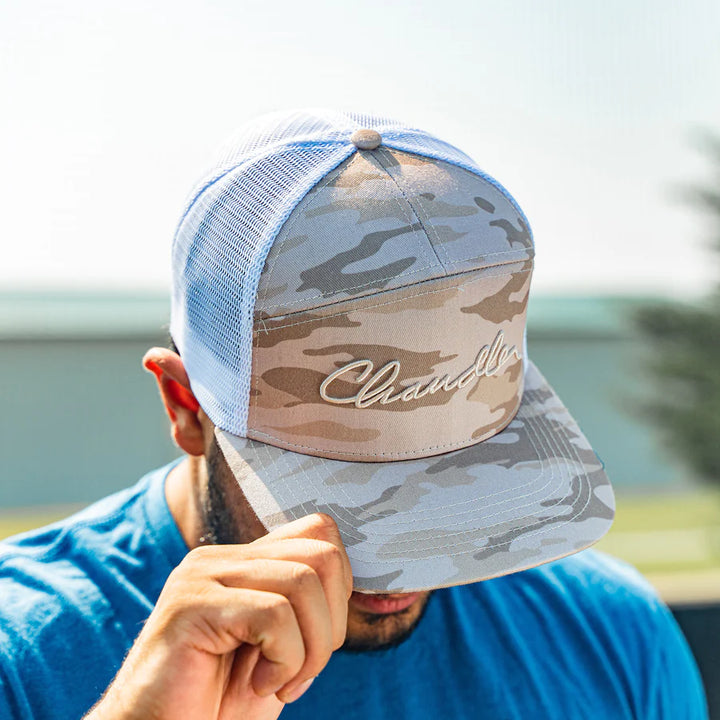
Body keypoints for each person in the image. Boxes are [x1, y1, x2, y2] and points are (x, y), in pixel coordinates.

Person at [0, 110, 707, 720]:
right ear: (185, 406)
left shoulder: (614, 636)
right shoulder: (22, 652)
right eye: (350, 488)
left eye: (463, 479)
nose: (411, 561)